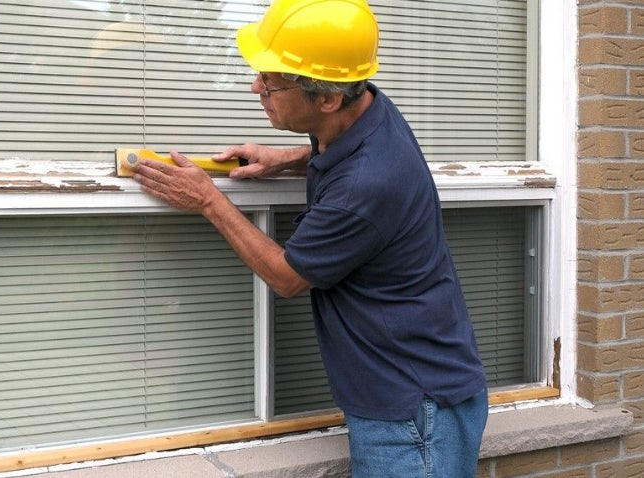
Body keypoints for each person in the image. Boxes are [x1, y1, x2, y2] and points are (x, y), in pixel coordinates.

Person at [129, 1, 488, 476]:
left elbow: (287, 276)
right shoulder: (366, 108)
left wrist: (208, 200)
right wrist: (288, 158)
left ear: (327, 99)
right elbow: (347, 150)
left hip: (413, 413)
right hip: (416, 391)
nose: (257, 87)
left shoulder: (367, 184)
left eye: (272, 81)